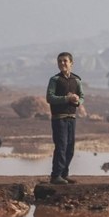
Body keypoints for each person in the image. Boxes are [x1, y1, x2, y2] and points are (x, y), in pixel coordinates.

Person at [46, 52, 85, 185]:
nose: (62, 63)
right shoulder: (54, 80)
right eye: (60, 61)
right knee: (61, 146)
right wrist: (66, 98)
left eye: (65, 61)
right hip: (59, 118)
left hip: (71, 118)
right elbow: (49, 98)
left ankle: (64, 174)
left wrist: (77, 101)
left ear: (71, 63)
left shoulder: (77, 80)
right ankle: (56, 175)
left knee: (70, 147)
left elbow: (82, 96)